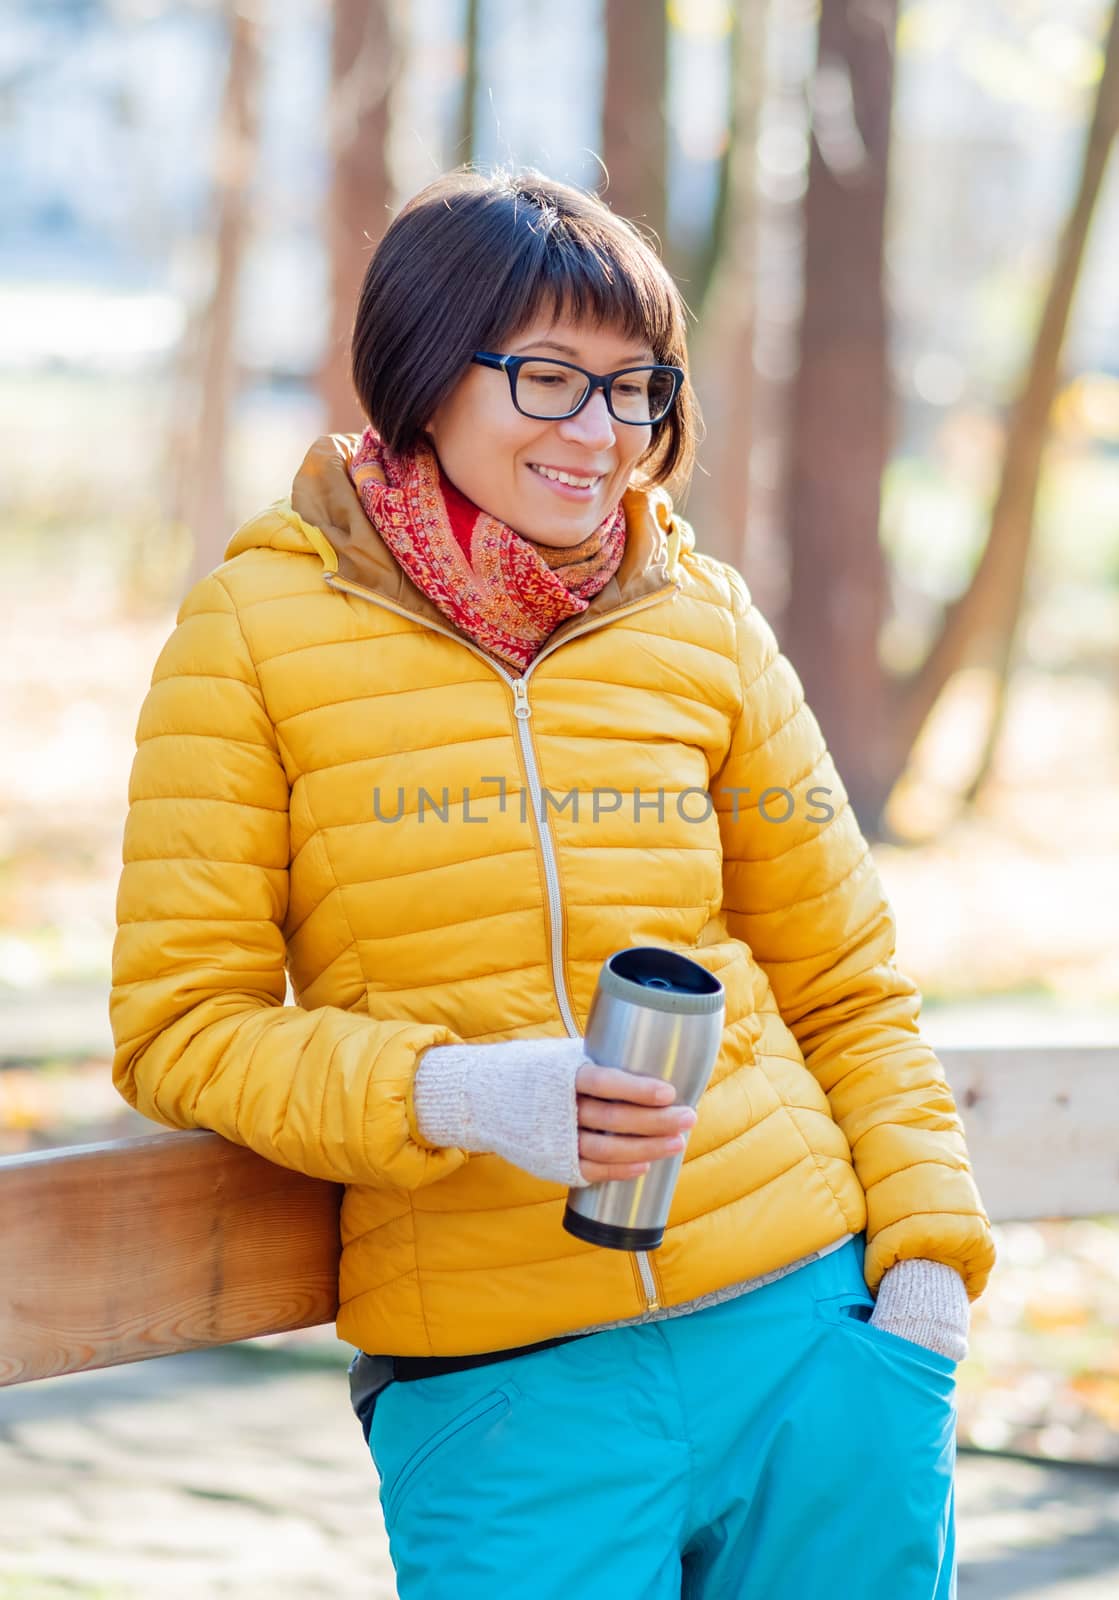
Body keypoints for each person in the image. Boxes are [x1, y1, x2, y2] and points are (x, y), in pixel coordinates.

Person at [110, 164, 996, 1599]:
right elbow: (179, 1030)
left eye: (638, 389)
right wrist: (461, 1095)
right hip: (506, 1392)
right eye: (550, 379)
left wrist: (925, 1280)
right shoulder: (252, 635)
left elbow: (847, 979)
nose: (605, 436)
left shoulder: (699, 618)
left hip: (811, 1343)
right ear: (424, 374)